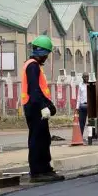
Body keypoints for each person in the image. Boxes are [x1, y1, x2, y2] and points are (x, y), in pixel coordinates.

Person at [21, 36, 63, 183]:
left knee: (44, 139)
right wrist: (42, 106)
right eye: (46, 54)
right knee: (37, 139)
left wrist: (48, 104)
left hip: (36, 105)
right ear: (41, 52)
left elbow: (39, 89)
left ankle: (45, 168)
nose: (46, 57)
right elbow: (34, 90)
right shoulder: (32, 66)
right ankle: (37, 172)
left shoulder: (34, 66)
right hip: (34, 107)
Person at [76, 72, 89, 138]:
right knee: (81, 122)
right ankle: (80, 137)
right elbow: (78, 96)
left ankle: (91, 136)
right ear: (82, 78)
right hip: (82, 106)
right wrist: (77, 107)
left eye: (87, 76)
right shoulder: (80, 85)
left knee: (91, 123)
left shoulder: (90, 84)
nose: (86, 78)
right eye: (85, 77)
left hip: (90, 106)